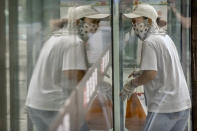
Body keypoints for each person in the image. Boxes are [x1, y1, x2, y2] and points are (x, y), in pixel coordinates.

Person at [25, 5, 109, 131]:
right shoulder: (73, 42)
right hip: (54, 106)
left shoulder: (56, 37)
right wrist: (98, 84)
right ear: (77, 22)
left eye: (98, 22)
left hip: (36, 104)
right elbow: (71, 73)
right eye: (93, 22)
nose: (96, 26)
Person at [120, 4, 191, 131]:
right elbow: (166, 65)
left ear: (149, 21)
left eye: (136, 20)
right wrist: (142, 71)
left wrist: (131, 84)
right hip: (183, 105)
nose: (134, 25)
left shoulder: (149, 42)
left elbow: (151, 74)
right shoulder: (165, 37)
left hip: (164, 109)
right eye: (132, 21)